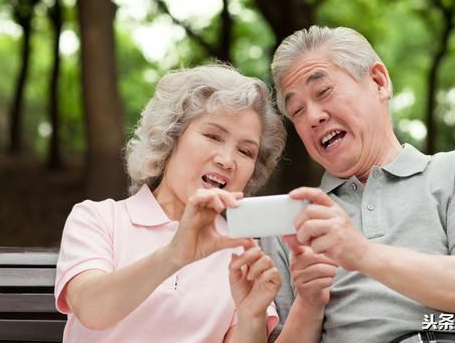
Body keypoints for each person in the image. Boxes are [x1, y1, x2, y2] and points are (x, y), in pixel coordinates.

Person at [261, 26, 455, 343]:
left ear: (378, 82)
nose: (313, 117)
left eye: (323, 92)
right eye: (297, 111)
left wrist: (359, 252)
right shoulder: (292, 222)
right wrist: (308, 303)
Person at [55, 64, 288, 342]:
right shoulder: (97, 219)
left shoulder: (239, 248)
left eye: (245, 151)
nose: (227, 160)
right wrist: (174, 254)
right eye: (213, 136)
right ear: (171, 136)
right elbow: (91, 310)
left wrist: (251, 315)